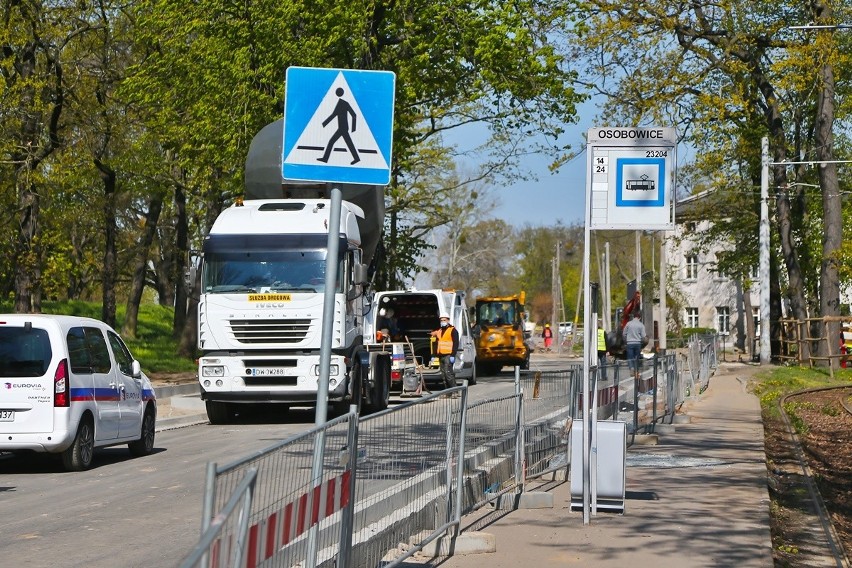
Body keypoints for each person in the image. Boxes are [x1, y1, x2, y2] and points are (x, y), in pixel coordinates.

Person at [431, 312, 459, 392]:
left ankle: (454, 391)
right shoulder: (439, 331)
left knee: (448, 374)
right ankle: (448, 392)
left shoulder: (453, 330)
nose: (442, 321)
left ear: (448, 320)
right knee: (443, 375)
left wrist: (453, 355)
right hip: (441, 355)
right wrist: (433, 355)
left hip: (448, 355)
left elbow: (456, 343)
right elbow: (436, 344)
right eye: (441, 320)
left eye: (444, 320)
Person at [624, 311, 647, 388]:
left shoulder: (628, 324)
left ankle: (631, 368)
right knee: (637, 357)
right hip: (637, 343)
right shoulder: (641, 325)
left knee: (630, 357)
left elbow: (624, 333)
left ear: (633, 317)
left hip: (630, 343)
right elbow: (644, 336)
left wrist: (626, 339)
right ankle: (637, 370)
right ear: (639, 317)